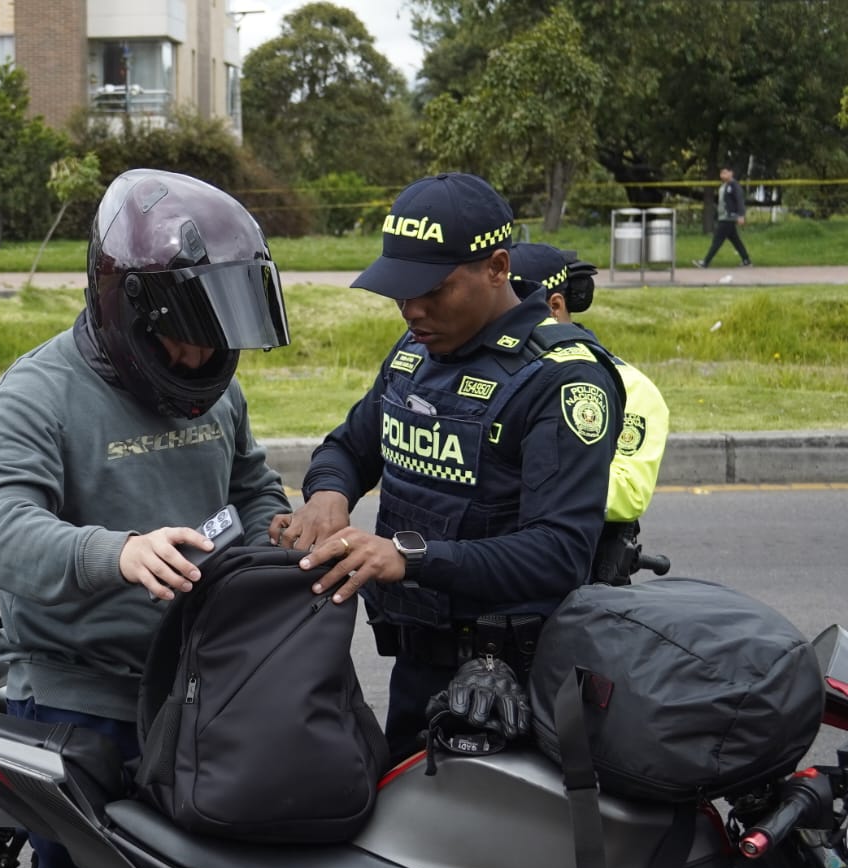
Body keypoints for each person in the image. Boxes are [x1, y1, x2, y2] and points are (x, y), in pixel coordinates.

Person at [0, 168, 293, 868]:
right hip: (80, 700)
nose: (201, 358)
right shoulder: (37, 393)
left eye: (216, 338)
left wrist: (278, 532)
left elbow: (251, 486)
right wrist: (117, 553)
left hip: (200, 685)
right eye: (184, 338)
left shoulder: (217, 389)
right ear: (129, 308)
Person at [270, 173, 623, 764]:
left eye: (433, 290)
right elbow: (349, 447)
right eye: (400, 293)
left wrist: (410, 556)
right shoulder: (415, 351)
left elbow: (559, 553)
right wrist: (329, 494)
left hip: (512, 688)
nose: (412, 310)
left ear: (497, 268)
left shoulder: (564, 379)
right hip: (417, 667)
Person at [508, 242, 670, 585]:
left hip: (578, 581)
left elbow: (629, 491)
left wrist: (521, 478)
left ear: (555, 307)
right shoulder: (492, 370)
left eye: (512, 308)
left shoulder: (627, 385)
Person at [694, 165, 752, 268]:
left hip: (728, 217)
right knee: (736, 241)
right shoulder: (724, 186)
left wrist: (741, 215)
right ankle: (746, 260)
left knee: (717, 240)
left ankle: (705, 262)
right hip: (723, 217)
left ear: (731, 173)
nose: (722, 175)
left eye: (725, 173)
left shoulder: (734, 186)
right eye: (721, 173)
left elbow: (739, 200)